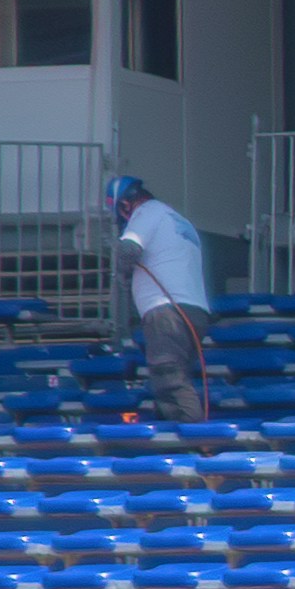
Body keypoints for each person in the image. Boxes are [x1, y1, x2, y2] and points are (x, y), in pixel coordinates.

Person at [111, 171, 214, 429]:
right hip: (193, 311)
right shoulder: (178, 221)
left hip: (166, 311)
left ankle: (195, 438)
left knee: (168, 377)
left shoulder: (147, 212)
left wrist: (122, 277)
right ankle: (173, 436)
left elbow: (129, 249)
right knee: (172, 379)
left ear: (125, 204)